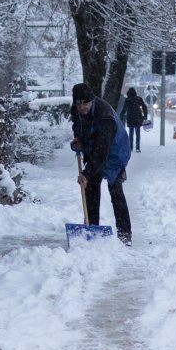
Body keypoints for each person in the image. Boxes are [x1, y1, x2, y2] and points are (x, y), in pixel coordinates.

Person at [70, 82, 132, 244]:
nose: (81, 107)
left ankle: (125, 236)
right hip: (96, 148)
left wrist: (87, 173)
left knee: (115, 190)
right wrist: (79, 139)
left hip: (116, 152)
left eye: (85, 104)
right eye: (79, 104)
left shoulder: (105, 118)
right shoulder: (77, 107)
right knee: (90, 188)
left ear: (92, 101)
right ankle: (92, 227)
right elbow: (78, 124)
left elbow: (102, 151)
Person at [122, 86, 148, 151]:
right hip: (138, 118)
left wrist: (121, 116)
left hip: (130, 118)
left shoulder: (127, 100)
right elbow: (144, 108)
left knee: (131, 133)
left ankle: (131, 147)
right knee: (138, 133)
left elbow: (124, 109)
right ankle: (138, 147)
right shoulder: (139, 99)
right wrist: (144, 116)